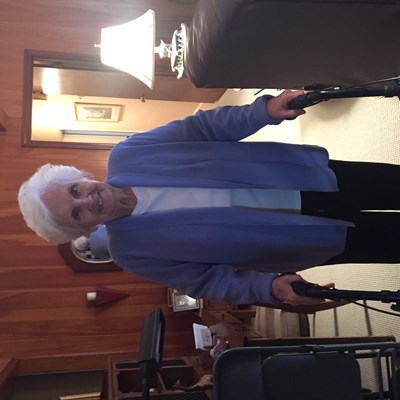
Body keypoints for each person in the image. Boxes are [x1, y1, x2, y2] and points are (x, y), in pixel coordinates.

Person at [18, 90, 400, 307]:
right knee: (391, 240)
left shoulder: (130, 153)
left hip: (302, 175)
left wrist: (263, 111)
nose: (87, 201)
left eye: (75, 190)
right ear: (83, 230)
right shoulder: (130, 253)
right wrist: (266, 289)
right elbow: (206, 281)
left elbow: (203, 127)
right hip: (301, 237)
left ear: (80, 177)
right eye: (76, 213)